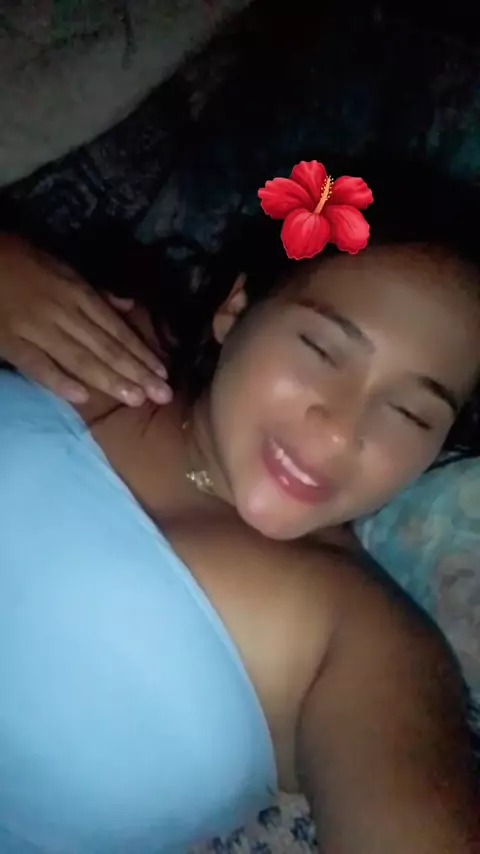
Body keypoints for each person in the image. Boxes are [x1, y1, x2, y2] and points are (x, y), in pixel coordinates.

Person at [0, 156, 479, 854]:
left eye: (410, 413)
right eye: (321, 349)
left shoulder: (363, 644)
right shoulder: (101, 330)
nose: (339, 431)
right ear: (236, 309)